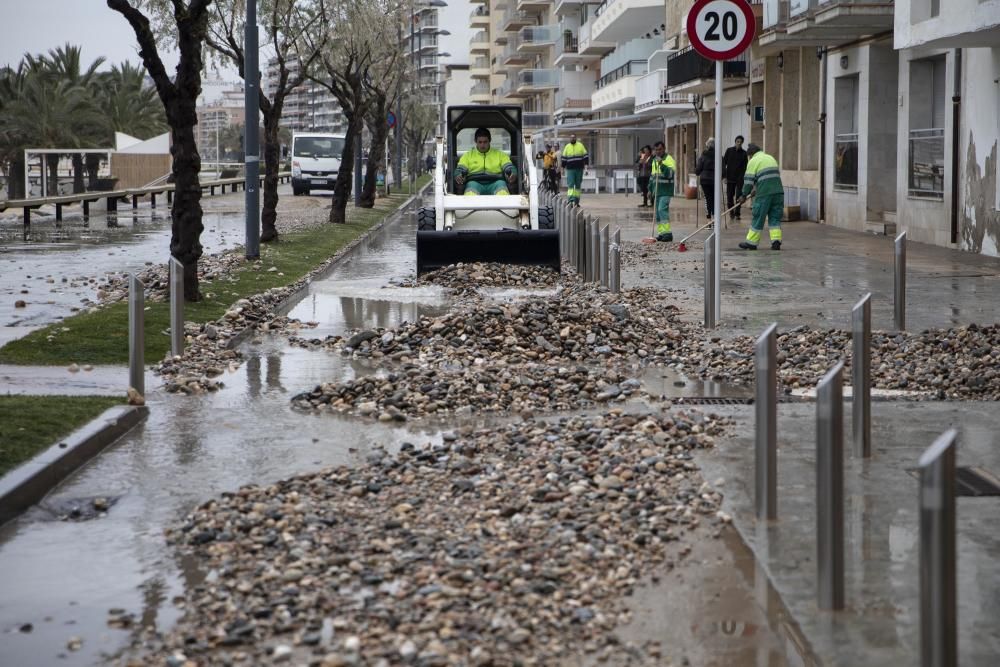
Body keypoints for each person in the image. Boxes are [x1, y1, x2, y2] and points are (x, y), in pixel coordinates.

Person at [738, 143, 784, 251]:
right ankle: (776, 241)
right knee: (775, 217)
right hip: (778, 192)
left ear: (751, 154)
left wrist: (744, 195)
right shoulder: (770, 158)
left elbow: (748, 181)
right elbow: (768, 177)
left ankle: (751, 243)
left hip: (764, 194)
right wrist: (756, 189)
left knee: (758, 216)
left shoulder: (753, 161)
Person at [454, 128, 517, 196]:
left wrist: (512, 171)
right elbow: (460, 168)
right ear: (475, 141)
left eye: (485, 142)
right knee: (470, 193)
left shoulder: (500, 155)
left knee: (502, 191)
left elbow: (508, 166)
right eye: (480, 142)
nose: (482, 145)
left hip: (496, 182)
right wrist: (458, 174)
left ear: (489, 141)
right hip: (474, 183)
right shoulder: (467, 156)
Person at [648, 141, 676, 242]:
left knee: (662, 210)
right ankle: (661, 233)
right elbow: (653, 176)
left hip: (665, 191)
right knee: (658, 214)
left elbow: (670, 174)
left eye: (660, 149)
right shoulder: (655, 160)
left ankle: (668, 234)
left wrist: (662, 164)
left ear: (664, 149)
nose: (658, 151)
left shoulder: (668, 159)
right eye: (656, 150)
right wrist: (650, 189)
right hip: (657, 191)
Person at [722, 135, 748, 220]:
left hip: (740, 178)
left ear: (742, 143)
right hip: (730, 177)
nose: (739, 143)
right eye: (737, 142)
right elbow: (723, 164)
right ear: (735, 142)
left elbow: (745, 167)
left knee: (738, 196)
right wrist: (724, 177)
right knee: (730, 196)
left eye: (740, 142)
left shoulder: (744, 153)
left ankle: (737, 213)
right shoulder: (729, 151)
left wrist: (745, 177)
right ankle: (731, 212)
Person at [560, 133, 588, 206]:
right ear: (570, 139)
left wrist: (586, 168)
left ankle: (576, 201)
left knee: (578, 185)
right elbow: (564, 159)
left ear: (576, 138)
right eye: (571, 137)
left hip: (579, 169)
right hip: (570, 170)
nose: (572, 139)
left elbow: (585, 157)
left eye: (574, 137)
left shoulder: (580, 146)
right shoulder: (567, 147)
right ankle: (570, 200)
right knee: (571, 184)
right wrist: (562, 169)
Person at [695, 137, 716, 220]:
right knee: (714, 198)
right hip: (714, 179)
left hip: (705, 180)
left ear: (707, 146)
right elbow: (722, 168)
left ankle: (709, 218)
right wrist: (723, 176)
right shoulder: (718, 155)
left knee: (708, 198)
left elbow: (698, 170)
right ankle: (714, 216)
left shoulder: (703, 155)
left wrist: (697, 172)